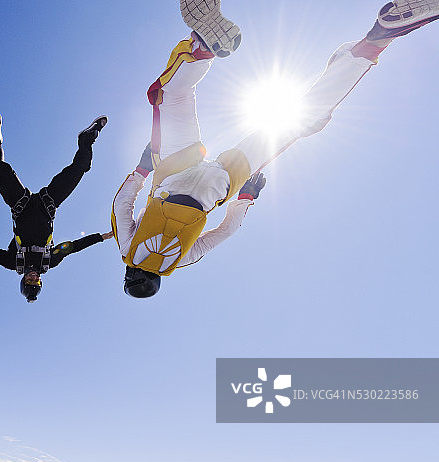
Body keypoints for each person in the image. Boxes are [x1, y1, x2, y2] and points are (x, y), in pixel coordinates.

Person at [113, 0, 439, 298]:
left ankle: (374, 42)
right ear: (129, 275)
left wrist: (245, 198)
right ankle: (201, 47)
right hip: (173, 173)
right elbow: (122, 204)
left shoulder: (179, 261)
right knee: (171, 97)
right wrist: (142, 169)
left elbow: (225, 231)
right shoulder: (127, 249)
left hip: (218, 187)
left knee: (295, 123)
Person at [0, 111, 113, 302]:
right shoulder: (50, 260)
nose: (34, 277)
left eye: (30, 281)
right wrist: (101, 237)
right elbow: (73, 247)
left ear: (23, 280)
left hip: (20, 204)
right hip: (48, 203)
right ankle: (87, 139)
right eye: (36, 281)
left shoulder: (12, 262)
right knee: (80, 168)